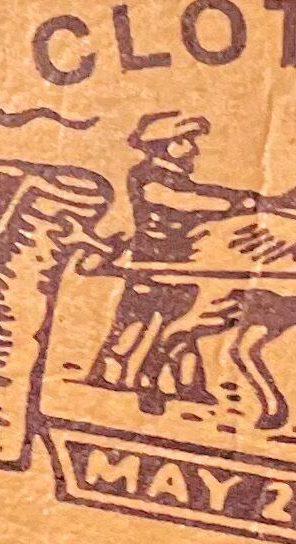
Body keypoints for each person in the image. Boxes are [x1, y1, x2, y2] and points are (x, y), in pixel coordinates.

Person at [86, 111, 254, 399]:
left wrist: (240, 198)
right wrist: (233, 203)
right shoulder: (146, 175)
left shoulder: (178, 178)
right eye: (186, 140)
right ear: (163, 143)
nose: (194, 149)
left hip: (184, 262)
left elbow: (200, 193)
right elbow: (178, 200)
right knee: (136, 321)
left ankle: (185, 383)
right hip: (151, 260)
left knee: (181, 324)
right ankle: (111, 372)